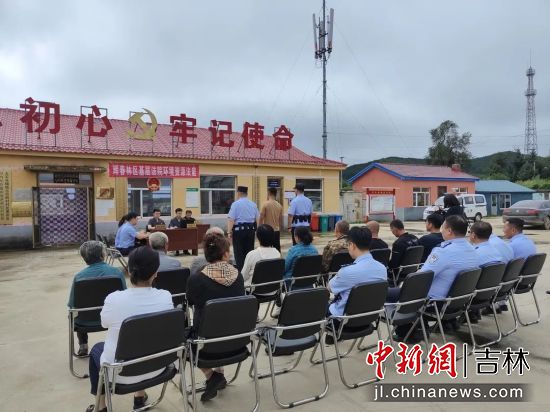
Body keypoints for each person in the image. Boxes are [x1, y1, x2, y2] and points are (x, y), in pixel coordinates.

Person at [86, 246, 173, 412]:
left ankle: (101, 406)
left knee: (97, 349)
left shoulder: (114, 299)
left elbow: (104, 323)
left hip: (121, 374)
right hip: (158, 368)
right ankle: (139, 397)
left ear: (129, 271)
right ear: (156, 273)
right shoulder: (166, 297)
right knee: (145, 341)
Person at [186, 232, 245, 402]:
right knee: (223, 319)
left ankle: (211, 376)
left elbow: (190, 301)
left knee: (185, 341)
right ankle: (219, 374)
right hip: (237, 341)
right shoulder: (238, 276)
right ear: (225, 254)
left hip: (205, 345)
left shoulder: (196, 279)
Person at [68, 241, 126, 357]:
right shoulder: (117, 273)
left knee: (76, 312)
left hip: (85, 321)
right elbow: (124, 296)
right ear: (102, 255)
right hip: (113, 318)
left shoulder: (79, 277)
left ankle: (83, 345)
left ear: (84, 258)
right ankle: (118, 343)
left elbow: (72, 304)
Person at [328, 226, 387, 317]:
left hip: (343, 319)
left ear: (352, 245)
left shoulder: (346, 271)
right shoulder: (382, 268)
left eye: (348, 245)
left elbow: (330, 288)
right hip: (370, 316)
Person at [421, 215, 480, 300]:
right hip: (462, 300)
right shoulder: (473, 250)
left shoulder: (442, 251)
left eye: (443, 228)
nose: (441, 231)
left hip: (435, 301)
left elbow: (422, 277)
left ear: (449, 231)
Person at [227, 186, 260, 272]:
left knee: (239, 253)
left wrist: (229, 232)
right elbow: (258, 218)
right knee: (249, 253)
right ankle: (249, 271)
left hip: (239, 232)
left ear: (239, 193)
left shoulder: (235, 204)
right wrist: (257, 230)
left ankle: (241, 273)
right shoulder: (253, 204)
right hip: (250, 231)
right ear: (246, 193)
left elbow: (231, 219)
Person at [259, 187, 283, 251]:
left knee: (267, 249)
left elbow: (261, 217)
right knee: (276, 249)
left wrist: (259, 228)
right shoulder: (279, 205)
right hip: (276, 231)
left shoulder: (265, 204)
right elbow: (280, 220)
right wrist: (279, 229)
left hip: (267, 230)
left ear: (269, 193)